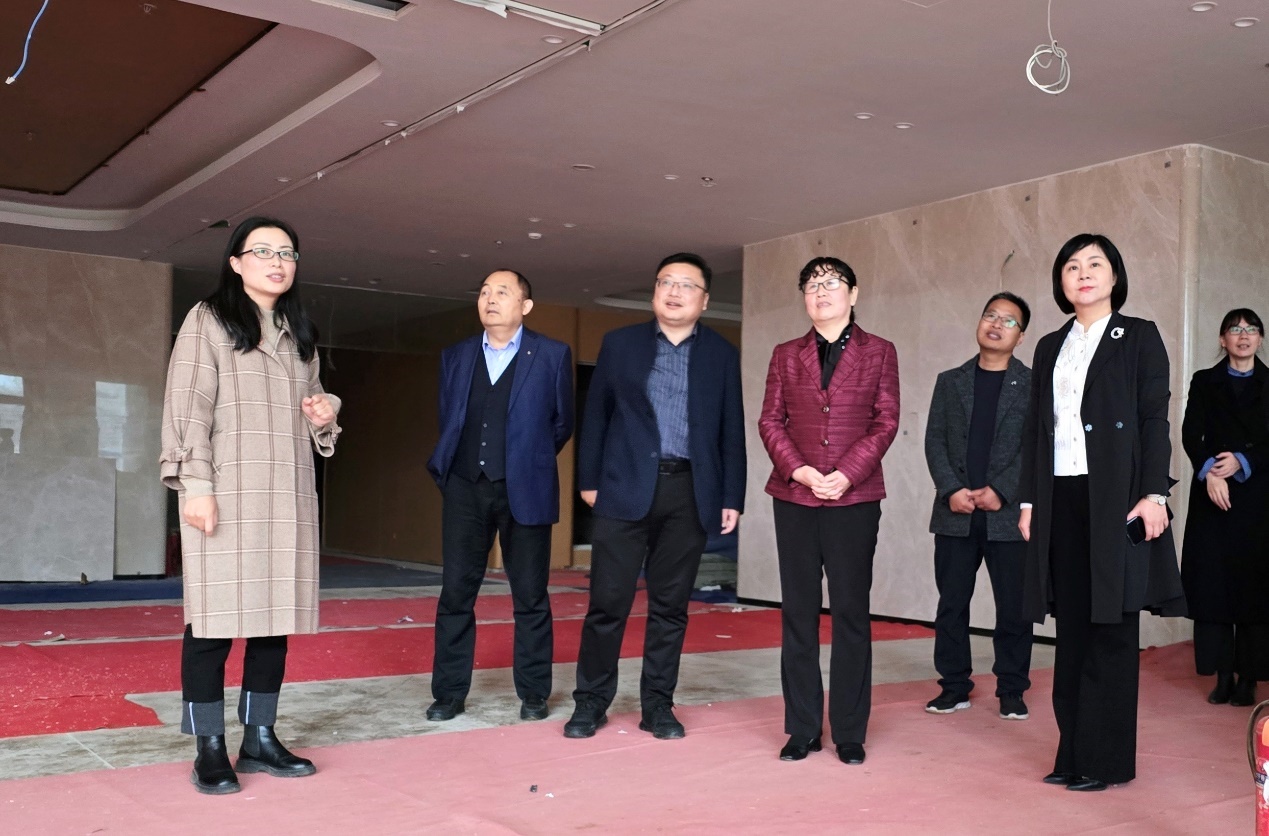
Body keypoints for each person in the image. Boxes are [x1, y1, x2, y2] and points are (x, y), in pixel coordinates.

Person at [160, 216, 341, 795]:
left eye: (286, 253)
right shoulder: (208, 319)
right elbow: (188, 406)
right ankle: (209, 746)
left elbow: (313, 403)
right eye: (262, 251)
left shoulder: (298, 330)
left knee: (272, 623)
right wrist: (196, 486)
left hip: (286, 493)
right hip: (226, 492)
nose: (277, 261)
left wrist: (326, 411)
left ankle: (259, 737)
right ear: (236, 263)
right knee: (211, 625)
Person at [1018, 233, 1185, 792]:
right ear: (1061, 282)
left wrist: (1155, 494)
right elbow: (1035, 431)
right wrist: (1028, 500)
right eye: (1072, 266)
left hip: (1116, 497)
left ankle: (1105, 761)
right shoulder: (1049, 345)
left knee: (1110, 628)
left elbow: (1155, 420)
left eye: (1095, 263)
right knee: (1072, 627)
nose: (1083, 273)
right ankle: (1072, 753)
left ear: (1115, 275)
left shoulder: (1138, 336)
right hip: (1059, 497)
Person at [564, 252, 746, 740]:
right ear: (654, 292)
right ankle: (590, 703)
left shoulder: (722, 354)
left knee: (670, 607)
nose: (674, 291)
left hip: (689, 490)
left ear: (704, 300)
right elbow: (596, 415)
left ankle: (658, 706)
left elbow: (731, 429)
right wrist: (588, 480)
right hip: (624, 487)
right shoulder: (620, 344)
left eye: (687, 285)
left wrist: (732, 495)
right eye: (666, 282)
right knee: (608, 602)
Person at [757, 256, 900, 765]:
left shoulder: (879, 351)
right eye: (812, 285)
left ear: (853, 294)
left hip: (853, 498)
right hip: (795, 497)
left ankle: (850, 731)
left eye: (832, 283)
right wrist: (798, 470)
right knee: (798, 614)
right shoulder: (784, 354)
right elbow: (770, 420)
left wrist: (846, 472)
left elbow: (886, 420)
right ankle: (801, 729)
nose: (821, 292)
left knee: (850, 614)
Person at [425, 270, 574, 722]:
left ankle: (533, 693)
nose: (490, 299)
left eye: (502, 292)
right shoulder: (457, 356)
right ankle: (449, 694)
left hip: (524, 489)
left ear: (524, 306)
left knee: (530, 595)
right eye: (485, 292)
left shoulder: (551, 355)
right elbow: (449, 418)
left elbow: (561, 423)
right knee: (456, 593)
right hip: (465, 487)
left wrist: (525, 460)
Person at [924, 292, 1034, 721]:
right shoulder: (950, 381)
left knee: (1014, 608)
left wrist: (1002, 490)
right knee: (952, 604)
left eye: (1009, 320)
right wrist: (951, 488)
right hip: (955, 512)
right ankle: (954, 687)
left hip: (1008, 516)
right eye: (990, 315)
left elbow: (1034, 448)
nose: (996, 324)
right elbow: (934, 441)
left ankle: (1012, 688)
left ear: (1020, 337)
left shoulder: (1032, 385)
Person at [1181, 309, 1269, 707]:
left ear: (1260, 339)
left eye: (1251, 329)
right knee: (1213, 585)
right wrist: (1209, 472)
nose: (1243, 335)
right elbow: (1190, 433)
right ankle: (1221, 674)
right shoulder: (1204, 381)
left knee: (1254, 585)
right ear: (1223, 339)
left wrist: (1243, 460)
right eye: (1235, 329)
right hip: (1213, 496)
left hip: (1259, 498)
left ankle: (1249, 676)